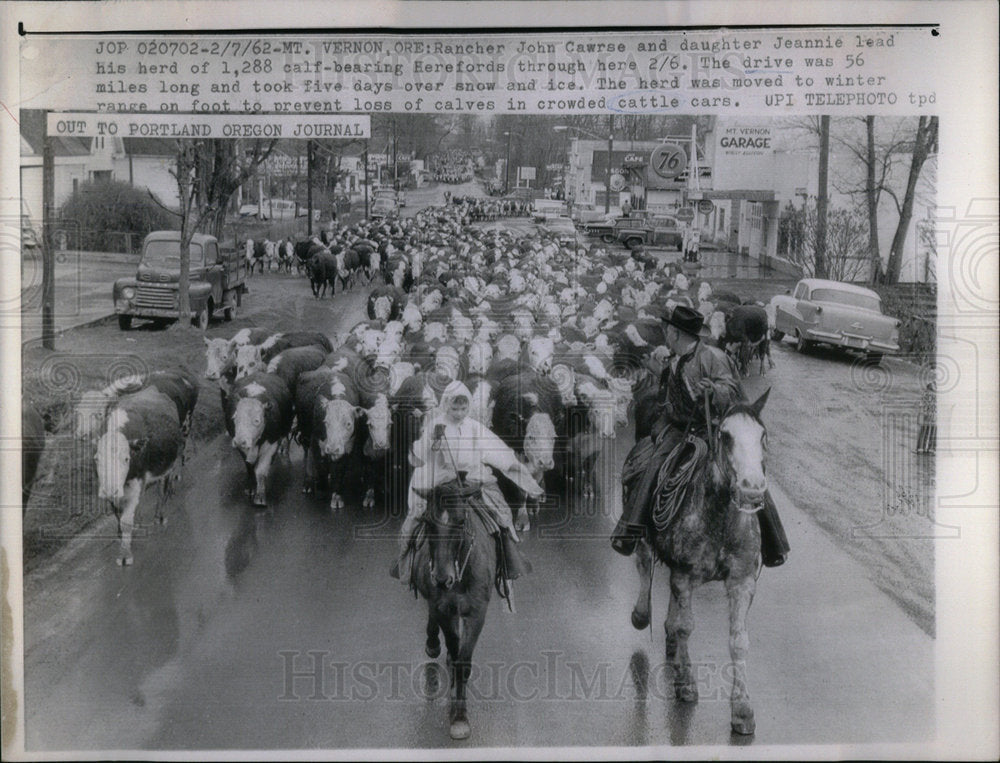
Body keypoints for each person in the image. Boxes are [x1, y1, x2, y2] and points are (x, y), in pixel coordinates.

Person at [611, 305, 789, 567]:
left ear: (675, 333)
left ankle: (774, 543)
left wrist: (714, 391)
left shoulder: (712, 357)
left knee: (750, 471)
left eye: (668, 331)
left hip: (714, 428)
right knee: (651, 463)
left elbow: (730, 388)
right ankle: (632, 528)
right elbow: (675, 391)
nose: (665, 335)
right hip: (678, 427)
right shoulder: (675, 359)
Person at [392, 380, 543, 585]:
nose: (460, 412)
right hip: (441, 480)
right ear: (446, 404)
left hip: (473, 479)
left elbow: (501, 455)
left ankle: (508, 564)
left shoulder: (475, 428)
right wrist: (432, 443)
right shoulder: (435, 425)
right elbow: (418, 457)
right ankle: (406, 566)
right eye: (455, 407)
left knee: (502, 513)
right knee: (414, 520)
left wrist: (530, 484)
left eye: (464, 408)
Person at [916, 381, 936, 454]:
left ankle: (921, 449)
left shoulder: (926, 393)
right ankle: (931, 449)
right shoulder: (938, 394)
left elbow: (921, 405)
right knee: (932, 432)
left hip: (926, 415)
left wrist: (920, 414)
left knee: (924, 431)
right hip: (933, 416)